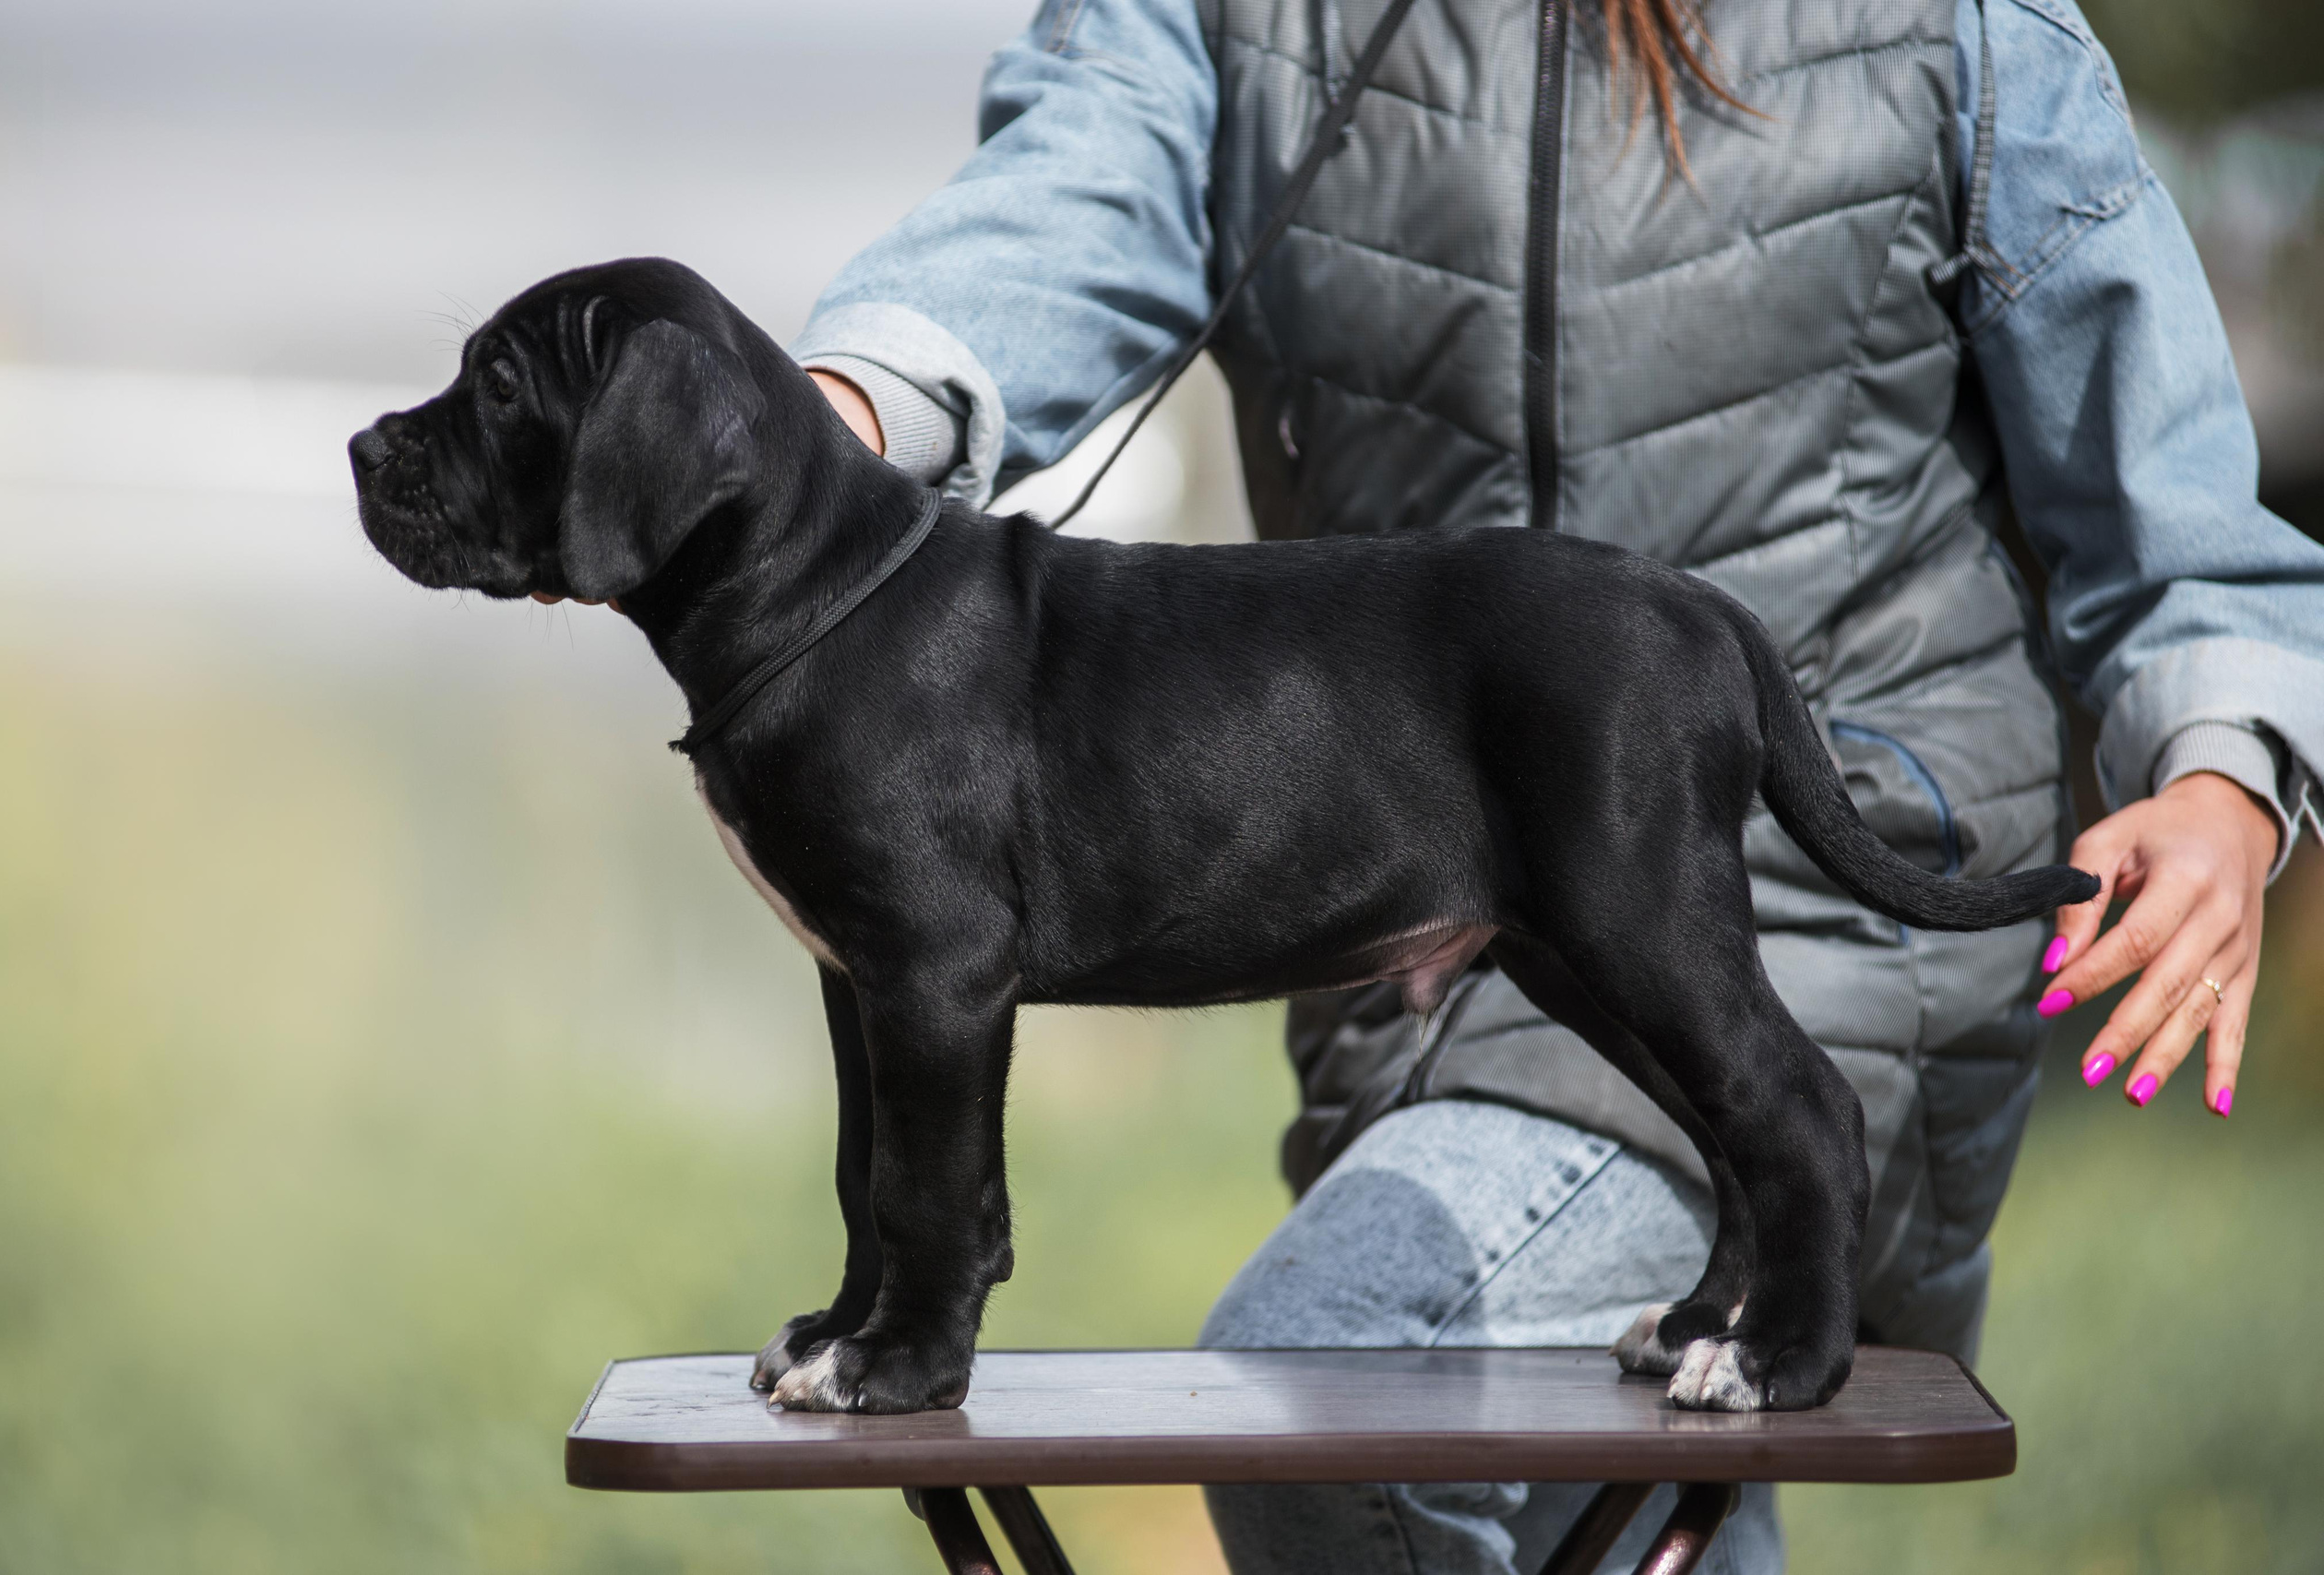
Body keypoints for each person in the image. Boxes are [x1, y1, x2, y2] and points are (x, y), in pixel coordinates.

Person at [770, 0, 2324, 1568]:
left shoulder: (1952, 25)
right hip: (1399, 933)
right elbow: (1068, 199)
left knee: (1335, 1425)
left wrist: (2224, 774)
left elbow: (2173, 481)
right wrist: (812, 431)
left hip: (1830, 925)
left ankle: (1782, 1220)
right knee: (1628, 1508)